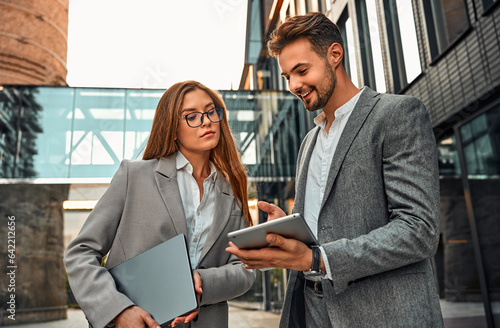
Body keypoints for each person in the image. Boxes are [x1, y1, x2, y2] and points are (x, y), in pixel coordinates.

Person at [226, 12, 444, 327]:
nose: (294, 85)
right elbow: (325, 231)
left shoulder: (396, 115)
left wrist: (316, 258)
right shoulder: (309, 143)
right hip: (312, 309)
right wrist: (287, 233)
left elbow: (418, 230)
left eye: (301, 70)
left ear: (335, 55)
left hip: (382, 314)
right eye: (287, 76)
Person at [64, 80, 256, 328]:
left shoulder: (231, 191)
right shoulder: (134, 176)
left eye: (210, 112)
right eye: (192, 116)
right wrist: (118, 310)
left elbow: (244, 268)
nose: (206, 121)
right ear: (173, 130)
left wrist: (203, 281)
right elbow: (80, 253)